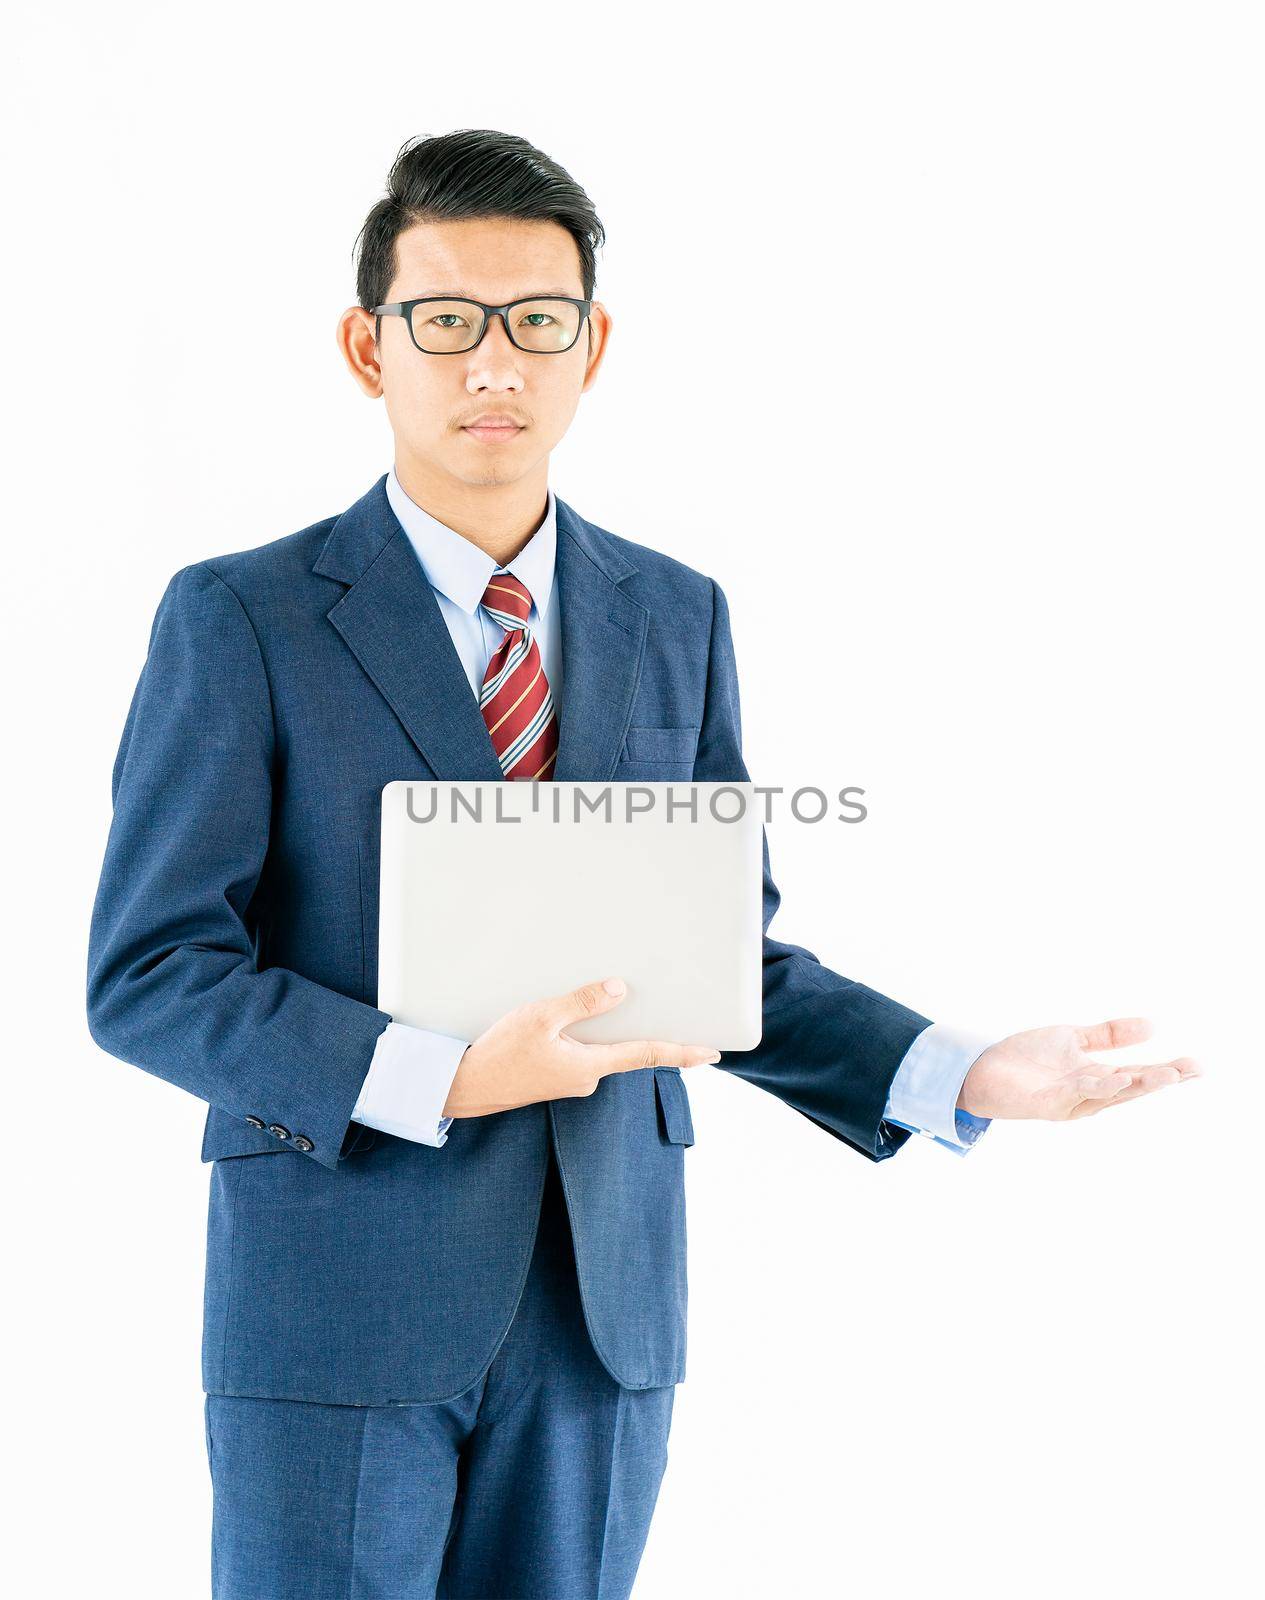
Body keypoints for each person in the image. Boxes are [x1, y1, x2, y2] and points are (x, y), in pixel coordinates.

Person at [86, 128, 1201, 1600]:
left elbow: (712, 954)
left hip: (603, 1301)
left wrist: (967, 1068)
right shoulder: (243, 618)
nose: (495, 365)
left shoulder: (673, 613)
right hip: (339, 1295)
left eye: (536, 323)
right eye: (447, 324)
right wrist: (440, 1073)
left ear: (590, 345)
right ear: (370, 348)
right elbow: (153, 975)